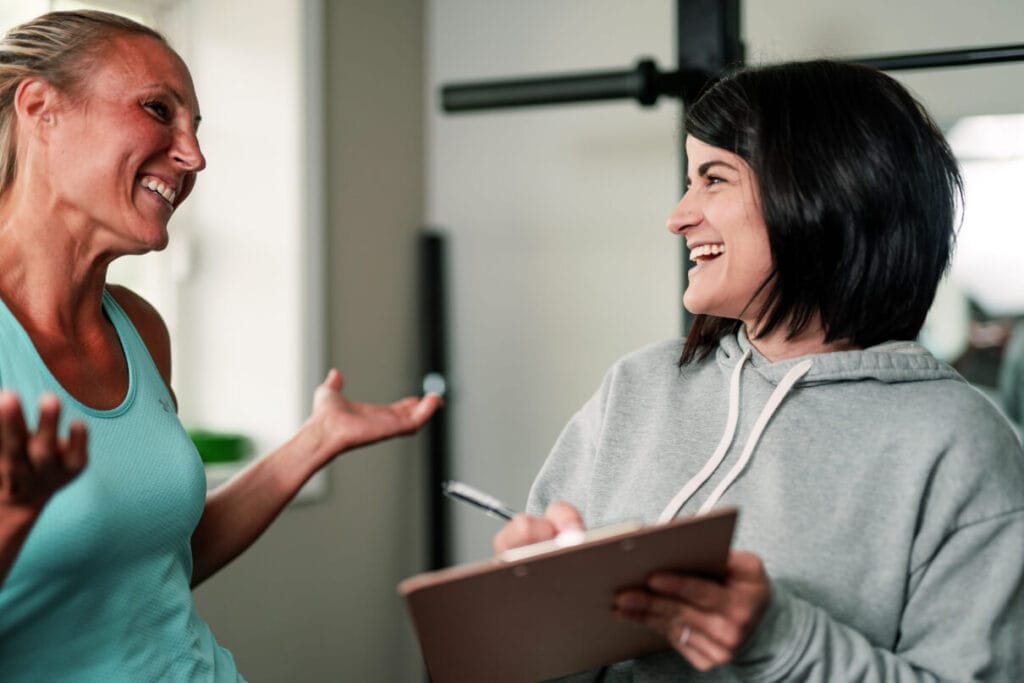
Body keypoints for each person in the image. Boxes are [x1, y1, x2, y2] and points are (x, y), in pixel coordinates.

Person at [494, 60, 1024, 681]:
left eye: (713, 179)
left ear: (825, 190)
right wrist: (525, 613)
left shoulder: (957, 441)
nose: (678, 216)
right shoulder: (636, 388)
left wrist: (784, 641)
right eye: (689, 180)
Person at [0, 10, 441, 681]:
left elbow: (154, 556)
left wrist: (316, 440)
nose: (193, 156)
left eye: (196, 129)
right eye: (157, 110)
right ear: (41, 108)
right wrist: (13, 519)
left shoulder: (140, 329)